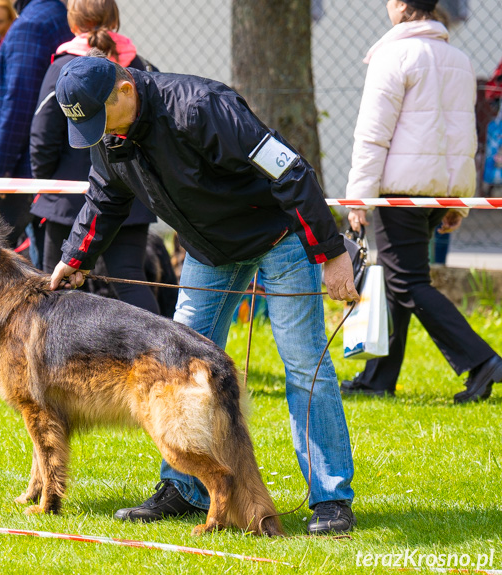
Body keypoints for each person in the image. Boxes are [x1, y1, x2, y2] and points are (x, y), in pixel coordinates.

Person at [48, 54, 360, 534]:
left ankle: (331, 499)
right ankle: (185, 488)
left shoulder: (202, 106)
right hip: (208, 252)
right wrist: (75, 258)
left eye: (99, 120)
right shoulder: (109, 136)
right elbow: (104, 196)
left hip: (278, 241)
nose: (98, 135)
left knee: (304, 365)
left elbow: (289, 169)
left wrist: (331, 252)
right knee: (173, 366)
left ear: (125, 90)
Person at [341, 0, 502, 403]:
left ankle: (482, 362)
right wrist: (457, 201)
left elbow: (373, 135)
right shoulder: (459, 59)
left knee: (406, 281)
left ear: (399, 5)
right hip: (438, 191)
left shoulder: (393, 55)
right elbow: (466, 135)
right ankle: (378, 378)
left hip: (402, 191)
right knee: (399, 281)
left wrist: (358, 198)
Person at [30, 0, 158, 314]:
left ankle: (48, 360)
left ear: (73, 23)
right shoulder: (140, 66)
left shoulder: (64, 69)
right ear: (114, 19)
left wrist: (46, 181)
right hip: (132, 197)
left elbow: (43, 134)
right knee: (130, 280)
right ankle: (165, 354)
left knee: (53, 280)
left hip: (68, 200)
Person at [0, 0, 72, 252]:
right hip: (48, 163)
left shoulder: (31, 25)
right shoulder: (58, 17)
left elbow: (18, 104)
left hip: (20, 169)